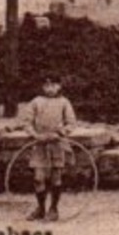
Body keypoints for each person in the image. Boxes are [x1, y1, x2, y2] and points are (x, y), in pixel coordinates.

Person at [21, 76, 77, 222]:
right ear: (42, 87)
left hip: (57, 144)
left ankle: (53, 209)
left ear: (59, 86)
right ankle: (40, 208)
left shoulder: (64, 102)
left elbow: (71, 123)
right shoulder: (36, 102)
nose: (50, 88)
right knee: (38, 178)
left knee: (56, 177)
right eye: (46, 85)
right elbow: (26, 122)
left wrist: (59, 133)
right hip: (39, 145)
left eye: (53, 85)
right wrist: (35, 135)